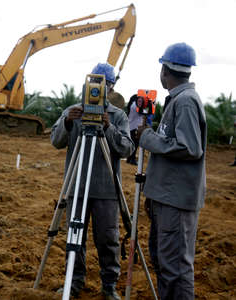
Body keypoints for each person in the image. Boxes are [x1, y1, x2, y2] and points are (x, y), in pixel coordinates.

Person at [51, 63, 134, 299]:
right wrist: (68, 122)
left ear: (111, 87)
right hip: (76, 186)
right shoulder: (72, 111)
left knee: (108, 240)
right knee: (74, 237)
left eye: (103, 84)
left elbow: (128, 148)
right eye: (94, 83)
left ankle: (109, 286)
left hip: (106, 189)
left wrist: (108, 128)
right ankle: (74, 282)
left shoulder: (118, 116)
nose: (98, 88)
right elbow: (55, 141)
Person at [138, 42, 207, 300]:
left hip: (176, 202)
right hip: (167, 198)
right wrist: (153, 194)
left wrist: (146, 138)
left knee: (176, 269)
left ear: (165, 70)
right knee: (165, 263)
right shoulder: (179, 100)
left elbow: (189, 147)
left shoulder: (186, 102)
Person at [126, 94, 142, 165]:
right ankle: (132, 159)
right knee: (135, 144)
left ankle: (129, 158)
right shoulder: (135, 106)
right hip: (135, 127)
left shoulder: (131, 105)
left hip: (131, 126)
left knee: (132, 143)